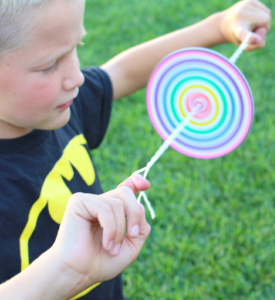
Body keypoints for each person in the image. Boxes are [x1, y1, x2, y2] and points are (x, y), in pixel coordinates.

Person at [0, 0, 271, 299]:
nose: (76, 76)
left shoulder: (57, 109)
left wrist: (217, 26)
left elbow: (121, 73)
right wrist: (64, 270)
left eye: (78, 45)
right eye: (50, 64)